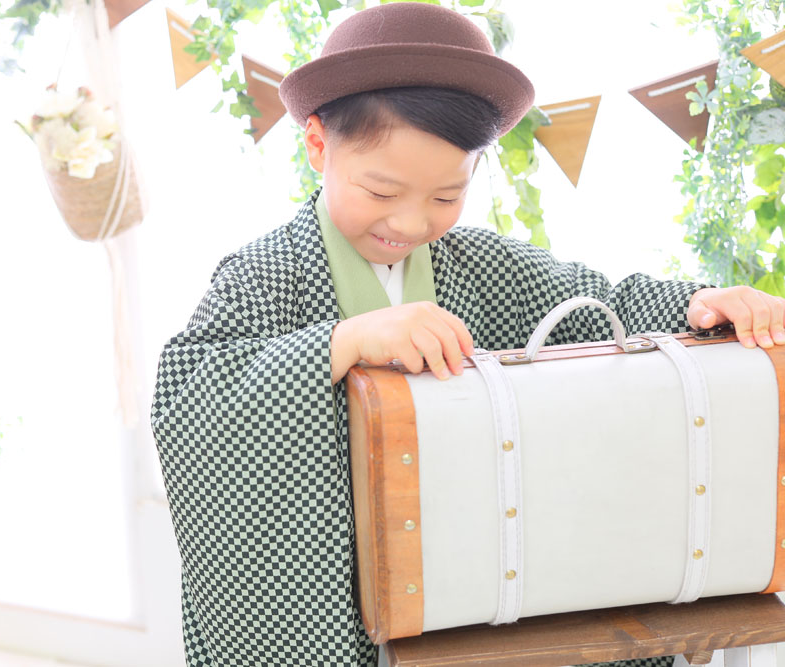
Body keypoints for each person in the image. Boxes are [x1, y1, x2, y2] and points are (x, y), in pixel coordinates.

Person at [150, 3, 785, 666]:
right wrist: (343, 343)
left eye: (445, 197)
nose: (410, 223)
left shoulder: (485, 265)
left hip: (476, 580)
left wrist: (700, 304)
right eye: (381, 191)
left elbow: (603, 305)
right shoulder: (266, 274)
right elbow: (190, 393)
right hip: (331, 608)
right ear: (317, 145)